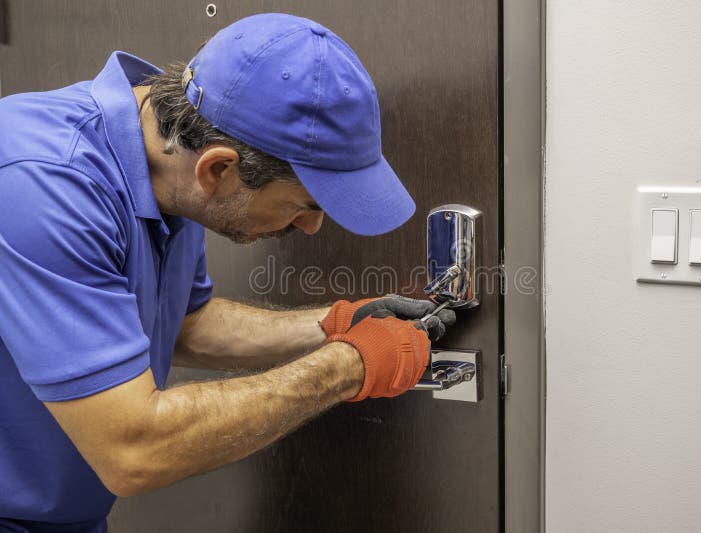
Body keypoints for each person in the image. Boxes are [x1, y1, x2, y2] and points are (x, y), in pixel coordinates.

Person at [0, 13, 455, 532]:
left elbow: (187, 325)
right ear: (217, 168)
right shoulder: (42, 187)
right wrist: (347, 366)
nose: (311, 227)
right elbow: (133, 448)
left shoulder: (170, 169)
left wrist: (335, 324)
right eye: (305, 204)